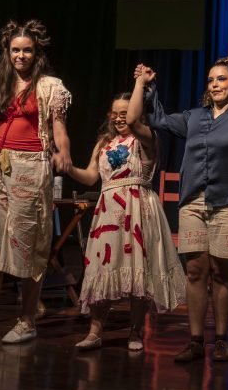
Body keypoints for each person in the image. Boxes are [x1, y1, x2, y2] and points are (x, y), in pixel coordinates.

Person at [139, 46, 228, 363]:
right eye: (210, 79)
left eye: (221, 79)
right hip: (193, 201)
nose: (214, 84)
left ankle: (221, 339)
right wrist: (148, 86)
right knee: (196, 271)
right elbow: (157, 118)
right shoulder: (193, 118)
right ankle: (195, 339)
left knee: (221, 272)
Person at [0, 19, 72, 347]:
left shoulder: (50, 86)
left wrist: (63, 151)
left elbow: (59, 126)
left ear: (37, 54)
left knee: (27, 244)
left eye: (27, 51)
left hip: (31, 167)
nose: (20, 56)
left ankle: (27, 320)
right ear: (7, 53)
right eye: (15, 50)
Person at [67, 86, 186, 351]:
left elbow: (134, 121)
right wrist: (68, 168)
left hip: (137, 206)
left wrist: (140, 84)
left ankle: (135, 331)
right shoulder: (103, 144)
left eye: (125, 113)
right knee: (102, 268)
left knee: (137, 272)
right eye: (115, 114)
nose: (120, 118)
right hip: (109, 208)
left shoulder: (147, 138)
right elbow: (90, 176)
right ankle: (95, 331)